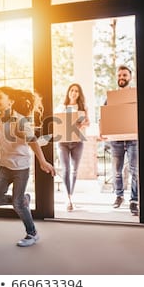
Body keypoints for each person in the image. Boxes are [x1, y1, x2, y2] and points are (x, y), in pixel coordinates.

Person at [0, 86, 56, 247]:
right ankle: (22, 200)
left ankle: (32, 233)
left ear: (11, 102)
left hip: (21, 168)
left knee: (18, 204)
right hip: (5, 167)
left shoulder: (20, 121)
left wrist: (42, 161)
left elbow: (33, 141)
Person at [108, 65, 139, 215]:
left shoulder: (136, 95)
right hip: (116, 140)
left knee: (135, 171)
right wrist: (103, 131)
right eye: (119, 75)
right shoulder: (111, 97)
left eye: (124, 75)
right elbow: (105, 116)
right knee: (117, 171)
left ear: (130, 77)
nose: (121, 78)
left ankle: (134, 200)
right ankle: (119, 196)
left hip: (133, 138)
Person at [55, 83, 90, 211]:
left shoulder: (82, 107)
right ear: (68, 92)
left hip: (77, 141)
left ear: (79, 94)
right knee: (66, 169)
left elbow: (88, 122)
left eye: (76, 91)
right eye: (72, 90)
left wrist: (83, 124)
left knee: (74, 170)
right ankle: (67, 198)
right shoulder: (61, 107)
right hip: (63, 142)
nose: (74, 93)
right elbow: (56, 122)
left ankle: (71, 196)